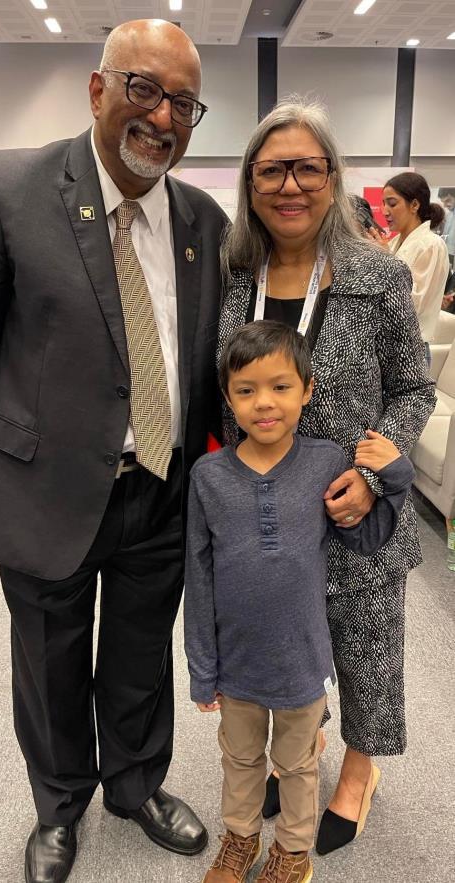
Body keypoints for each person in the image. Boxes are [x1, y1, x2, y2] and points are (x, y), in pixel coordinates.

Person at [0, 19, 228, 883]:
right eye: (144, 88)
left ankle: (135, 784)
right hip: (42, 489)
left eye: (183, 103)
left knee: (141, 655)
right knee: (50, 661)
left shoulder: (202, 220)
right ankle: (59, 802)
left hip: (160, 486)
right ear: (98, 90)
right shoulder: (9, 187)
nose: (162, 116)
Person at [217, 97, 436, 856]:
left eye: (308, 169)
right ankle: (296, 743)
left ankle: (360, 769)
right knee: (281, 640)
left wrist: (375, 471)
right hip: (263, 515)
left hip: (352, 511)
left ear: (334, 178)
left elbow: (414, 388)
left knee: (366, 646)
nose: (290, 186)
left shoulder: (377, 275)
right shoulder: (233, 275)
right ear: (250, 181)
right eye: (272, 169)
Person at [185, 320, 414, 883]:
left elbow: (363, 539)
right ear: (229, 398)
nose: (264, 402)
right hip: (236, 665)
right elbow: (199, 575)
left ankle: (291, 853)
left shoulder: (326, 462)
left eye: (281, 386)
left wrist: (394, 480)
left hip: (302, 663)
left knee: (298, 764)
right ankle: (240, 840)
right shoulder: (208, 477)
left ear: (307, 390)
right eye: (246, 390)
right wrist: (201, 667)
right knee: (240, 761)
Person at [369, 172, 450, 366]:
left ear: (414, 205)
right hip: (387, 347)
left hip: (411, 350)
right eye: (383, 204)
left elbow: (412, 304)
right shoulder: (394, 242)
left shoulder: (431, 244)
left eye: (392, 204)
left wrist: (385, 260)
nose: (385, 211)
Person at [438, 186, 455, 261]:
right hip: (447, 254)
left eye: (448, 200)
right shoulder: (449, 215)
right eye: (443, 202)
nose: (444, 205)